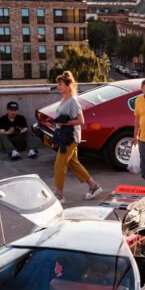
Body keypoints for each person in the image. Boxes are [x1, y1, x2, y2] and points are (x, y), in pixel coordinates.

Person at [51, 71, 102, 203]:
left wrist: (64, 123)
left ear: (68, 86)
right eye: (58, 84)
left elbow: (81, 120)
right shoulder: (64, 100)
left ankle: (59, 195)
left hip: (70, 137)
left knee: (59, 165)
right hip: (64, 136)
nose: (58, 86)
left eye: (61, 84)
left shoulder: (73, 101)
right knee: (73, 164)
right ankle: (94, 186)